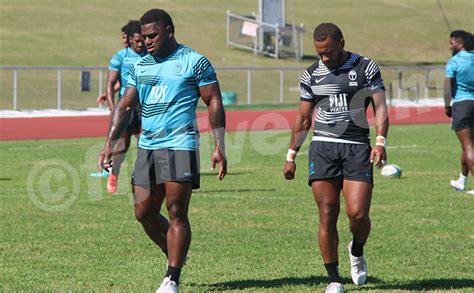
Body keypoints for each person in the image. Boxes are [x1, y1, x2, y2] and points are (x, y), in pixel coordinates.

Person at [97, 8, 227, 292]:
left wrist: (219, 145)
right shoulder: (139, 66)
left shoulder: (194, 61)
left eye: (153, 35)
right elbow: (125, 104)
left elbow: (214, 101)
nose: (147, 41)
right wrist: (109, 143)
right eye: (144, 37)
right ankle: (176, 251)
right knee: (143, 213)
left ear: (169, 30)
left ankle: (172, 278)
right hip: (147, 147)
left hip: (180, 144)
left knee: (177, 209)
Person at [283, 23, 389, 293]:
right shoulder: (311, 74)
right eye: (319, 53)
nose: (324, 58)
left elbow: (380, 108)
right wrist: (291, 154)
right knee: (327, 213)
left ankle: (357, 248)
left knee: (358, 213)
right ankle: (333, 279)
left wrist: (380, 142)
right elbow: (304, 117)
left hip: (356, 146)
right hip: (323, 148)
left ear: (342, 42)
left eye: (329, 51)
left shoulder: (366, 67)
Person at [102, 20, 147, 193]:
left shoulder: (150, 56)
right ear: (129, 39)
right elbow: (110, 83)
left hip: (145, 106)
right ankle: (114, 176)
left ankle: (149, 178)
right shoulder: (120, 57)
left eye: (143, 40)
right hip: (126, 106)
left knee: (148, 141)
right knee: (121, 146)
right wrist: (113, 108)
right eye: (138, 40)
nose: (141, 44)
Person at [444, 30, 474, 195]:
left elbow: (448, 86)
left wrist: (447, 106)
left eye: (452, 42)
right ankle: (462, 180)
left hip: (462, 105)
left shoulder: (454, 61)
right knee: (468, 145)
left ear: (460, 43)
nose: (450, 46)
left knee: (469, 146)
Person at [96, 20, 135, 106]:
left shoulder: (146, 55)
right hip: (124, 104)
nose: (125, 41)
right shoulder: (120, 56)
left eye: (126, 37)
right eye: (123, 38)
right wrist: (108, 95)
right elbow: (121, 81)